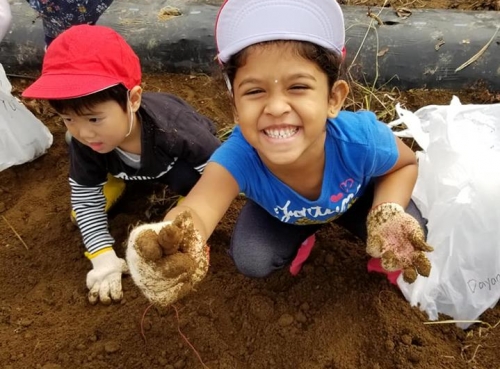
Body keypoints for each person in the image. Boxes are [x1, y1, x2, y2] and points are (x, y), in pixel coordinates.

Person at [125, 0, 434, 308]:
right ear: (234, 107)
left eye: (298, 86)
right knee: (251, 259)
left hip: (356, 202)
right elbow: (198, 208)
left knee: (412, 225)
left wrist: (386, 210)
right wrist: (169, 243)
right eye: (254, 91)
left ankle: (380, 247)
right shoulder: (239, 157)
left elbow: (403, 165)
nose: (275, 107)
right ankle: (303, 235)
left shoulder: (361, 140)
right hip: (285, 215)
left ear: (333, 98)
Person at [22, 25, 221, 305]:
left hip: (175, 164)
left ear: (134, 99)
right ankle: (117, 176)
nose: (83, 132)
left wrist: (193, 216)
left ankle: (177, 193)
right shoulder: (87, 141)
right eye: (68, 118)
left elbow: (222, 174)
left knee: (190, 177)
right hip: (121, 160)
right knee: (82, 203)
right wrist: (102, 258)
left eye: (93, 119)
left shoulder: (174, 129)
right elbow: (86, 202)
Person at [26, 0, 114, 47]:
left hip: (52, 21)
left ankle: (54, 61)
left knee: (55, 44)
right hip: (86, 13)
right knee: (84, 36)